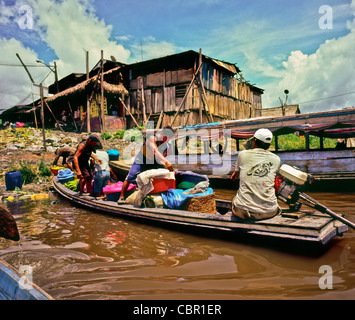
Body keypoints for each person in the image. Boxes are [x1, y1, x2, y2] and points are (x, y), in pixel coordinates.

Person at [230, 128, 281, 220]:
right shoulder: (276, 159)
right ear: (268, 145)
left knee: (234, 200)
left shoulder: (242, 155)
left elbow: (235, 174)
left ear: (254, 141)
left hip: (244, 211)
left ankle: (236, 225)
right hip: (270, 211)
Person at [118, 126, 175, 203]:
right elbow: (154, 150)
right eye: (165, 137)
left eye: (168, 138)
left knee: (166, 172)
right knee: (130, 177)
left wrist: (166, 165)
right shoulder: (152, 138)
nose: (166, 140)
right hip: (141, 160)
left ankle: (160, 192)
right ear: (161, 134)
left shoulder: (166, 146)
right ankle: (121, 197)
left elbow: (162, 157)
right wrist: (166, 162)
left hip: (153, 161)